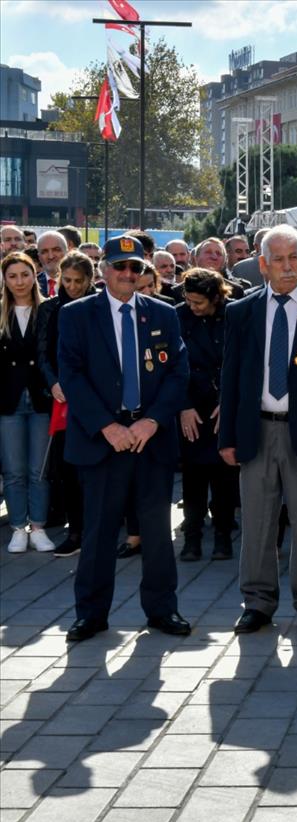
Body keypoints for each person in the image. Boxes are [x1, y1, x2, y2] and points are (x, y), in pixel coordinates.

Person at [57, 235, 191, 641]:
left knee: (156, 532)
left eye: (136, 268)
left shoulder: (164, 314)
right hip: (104, 439)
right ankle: (91, 614)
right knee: (98, 531)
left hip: (150, 438)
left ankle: (162, 610)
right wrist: (107, 427)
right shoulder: (77, 315)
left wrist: (151, 422)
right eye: (120, 266)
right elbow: (72, 375)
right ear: (104, 270)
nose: (128, 274)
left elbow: (178, 372)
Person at [218, 224, 297, 636]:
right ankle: (257, 601)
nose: (288, 268)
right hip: (257, 430)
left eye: (295, 258)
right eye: (279, 260)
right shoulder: (242, 311)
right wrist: (227, 438)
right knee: (257, 522)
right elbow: (232, 376)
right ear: (263, 265)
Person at [37, 252, 98, 557]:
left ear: (90, 279)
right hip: (63, 399)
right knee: (69, 468)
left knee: (99, 469)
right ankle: (75, 531)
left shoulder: (99, 305)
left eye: (79, 281)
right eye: (67, 280)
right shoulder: (50, 309)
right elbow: (43, 352)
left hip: (97, 397)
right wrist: (53, 383)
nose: (73, 287)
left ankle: (99, 529)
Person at [176, 269, 237, 562]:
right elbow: (173, 367)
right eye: (188, 300)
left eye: (198, 302)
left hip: (223, 404)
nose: (193, 307)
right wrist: (183, 405)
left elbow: (241, 362)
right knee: (193, 476)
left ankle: (223, 535)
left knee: (224, 475)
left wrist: (228, 401)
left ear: (215, 297)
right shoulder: (179, 316)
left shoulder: (233, 315)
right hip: (191, 406)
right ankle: (193, 536)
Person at [2, 252, 54, 552]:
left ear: (34, 275)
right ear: (5, 280)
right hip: (7, 401)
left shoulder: (48, 309)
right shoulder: (0, 312)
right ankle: (18, 527)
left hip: (41, 399)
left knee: (39, 469)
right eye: (12, 276)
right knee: (13, 470)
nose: (19, 281)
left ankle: (38, 526)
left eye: (25, 274)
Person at [36, 231, 67, 296]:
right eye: (44, 251)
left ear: (67, 252)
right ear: (39, 257)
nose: (51, 256)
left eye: (56, 249)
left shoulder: (77, 283)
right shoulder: (33, 284)